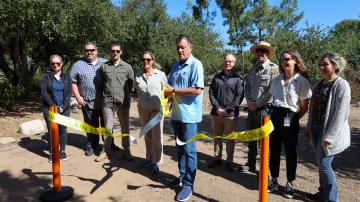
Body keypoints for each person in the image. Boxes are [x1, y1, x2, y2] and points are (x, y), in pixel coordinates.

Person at [305, 53, 351, 202]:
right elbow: (313, 107)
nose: (322, 67)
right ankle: (322, 193)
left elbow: (341, 113)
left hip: (329, 131)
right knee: (320, 163)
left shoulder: (341, 84)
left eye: (326, 64)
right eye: (321, 64)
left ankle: (332, 199)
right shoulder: (319, 83)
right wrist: (309, 128)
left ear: (335, 66)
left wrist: (330, 136)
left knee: (325, 164)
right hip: (317, 128)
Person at [267, 50, 312, 199]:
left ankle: (289, 183)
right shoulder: (276, 79)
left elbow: (304, 106)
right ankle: (273, 180)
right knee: (273, 150)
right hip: (275, 116)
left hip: (291, 117)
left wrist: (294, 118)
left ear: (295, 61)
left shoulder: (302, 81)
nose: (284, 62)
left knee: (290, 152)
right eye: (281, 60)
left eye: (287, 59)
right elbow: (272, 98)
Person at [164, 35, 204, 202]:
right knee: (180, 149)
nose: (180, 50)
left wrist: (173, 91)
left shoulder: (196, 64)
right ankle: (182, 177)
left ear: (190, 48)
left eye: (183, 47)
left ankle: (188, 184)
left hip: (189, 117)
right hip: (176, 115)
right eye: (178, 48)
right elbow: (168, 87)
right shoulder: (175, 66)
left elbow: (196, 90)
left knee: (190, 150)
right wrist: (168, 99)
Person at [240, 41, 279, 173]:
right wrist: (250, 102)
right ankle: (250, 164)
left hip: (266, 110)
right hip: (252, 109)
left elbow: (271, 91)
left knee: (265, 141)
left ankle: (264, 169)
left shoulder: (274, 68)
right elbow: (248, 88)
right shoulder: (253, 69)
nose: (260, 53)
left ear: (268, 53)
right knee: (251, 137)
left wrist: (257, 104)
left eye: (263, 50)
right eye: (258, 51)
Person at [70, 42, 112, 156]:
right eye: (87, 50)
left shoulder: (106, 63)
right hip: (88, 102)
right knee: (90, 126)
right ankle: (91, 145)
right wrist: (78, 97)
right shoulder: (78, 65)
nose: (89, 52)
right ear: (84, 52)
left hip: (105, 102)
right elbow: (73, 82)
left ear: (97, 50)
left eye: (92, 50)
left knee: (106, 124)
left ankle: (108, 144)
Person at [95, 43, 135, 162]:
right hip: (107, 101)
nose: (115, 53)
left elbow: (130, 84)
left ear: (121, 52)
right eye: (113, 51)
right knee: (107, 127)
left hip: (123, 101)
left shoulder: (127, 67)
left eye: (117, 51)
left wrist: (125, 95)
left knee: (125, 127)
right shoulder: (104, 67)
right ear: (109, 52)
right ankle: (106, 151)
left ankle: (126, 150)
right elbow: (101, 83)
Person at [207, 53, 244, 172]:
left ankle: (229, 161)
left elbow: (239, 97)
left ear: (234, 63)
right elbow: (211, 93)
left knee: (230, 139)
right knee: (217, 137)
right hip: (216, 113)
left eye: (231, 61)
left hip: (231, 115)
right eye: (226, 61)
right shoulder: (217, 77)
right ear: (224, 61)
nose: (228, 63)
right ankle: (217, 158)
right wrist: (217, 108)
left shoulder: (238, 79)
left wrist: (227, 110)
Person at [134, 51, 167, 174]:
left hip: (157, 111)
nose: (146, 62)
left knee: (157, 137)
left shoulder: (161, 75)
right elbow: (137, 91)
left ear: (152, 60)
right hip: (143, 110)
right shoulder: (138, 75)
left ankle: (156, 162)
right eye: (143, 60)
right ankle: (149, 158)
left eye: (148, 59)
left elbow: (166, 90)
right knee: (147, 135)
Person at [40, 55, 72, 162]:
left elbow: (68, 94)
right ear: (50, 64)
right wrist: (54, 106)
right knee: (52, 131)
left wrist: (63, 106)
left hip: (64, 109)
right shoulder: (45, 76)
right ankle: (52, 152)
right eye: (53, 63)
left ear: (61, 64)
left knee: (62, 130)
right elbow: (43, 92)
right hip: (49, 108)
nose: (55, 65)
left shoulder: (67, 77)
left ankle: (62, 151)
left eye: (58, 63)